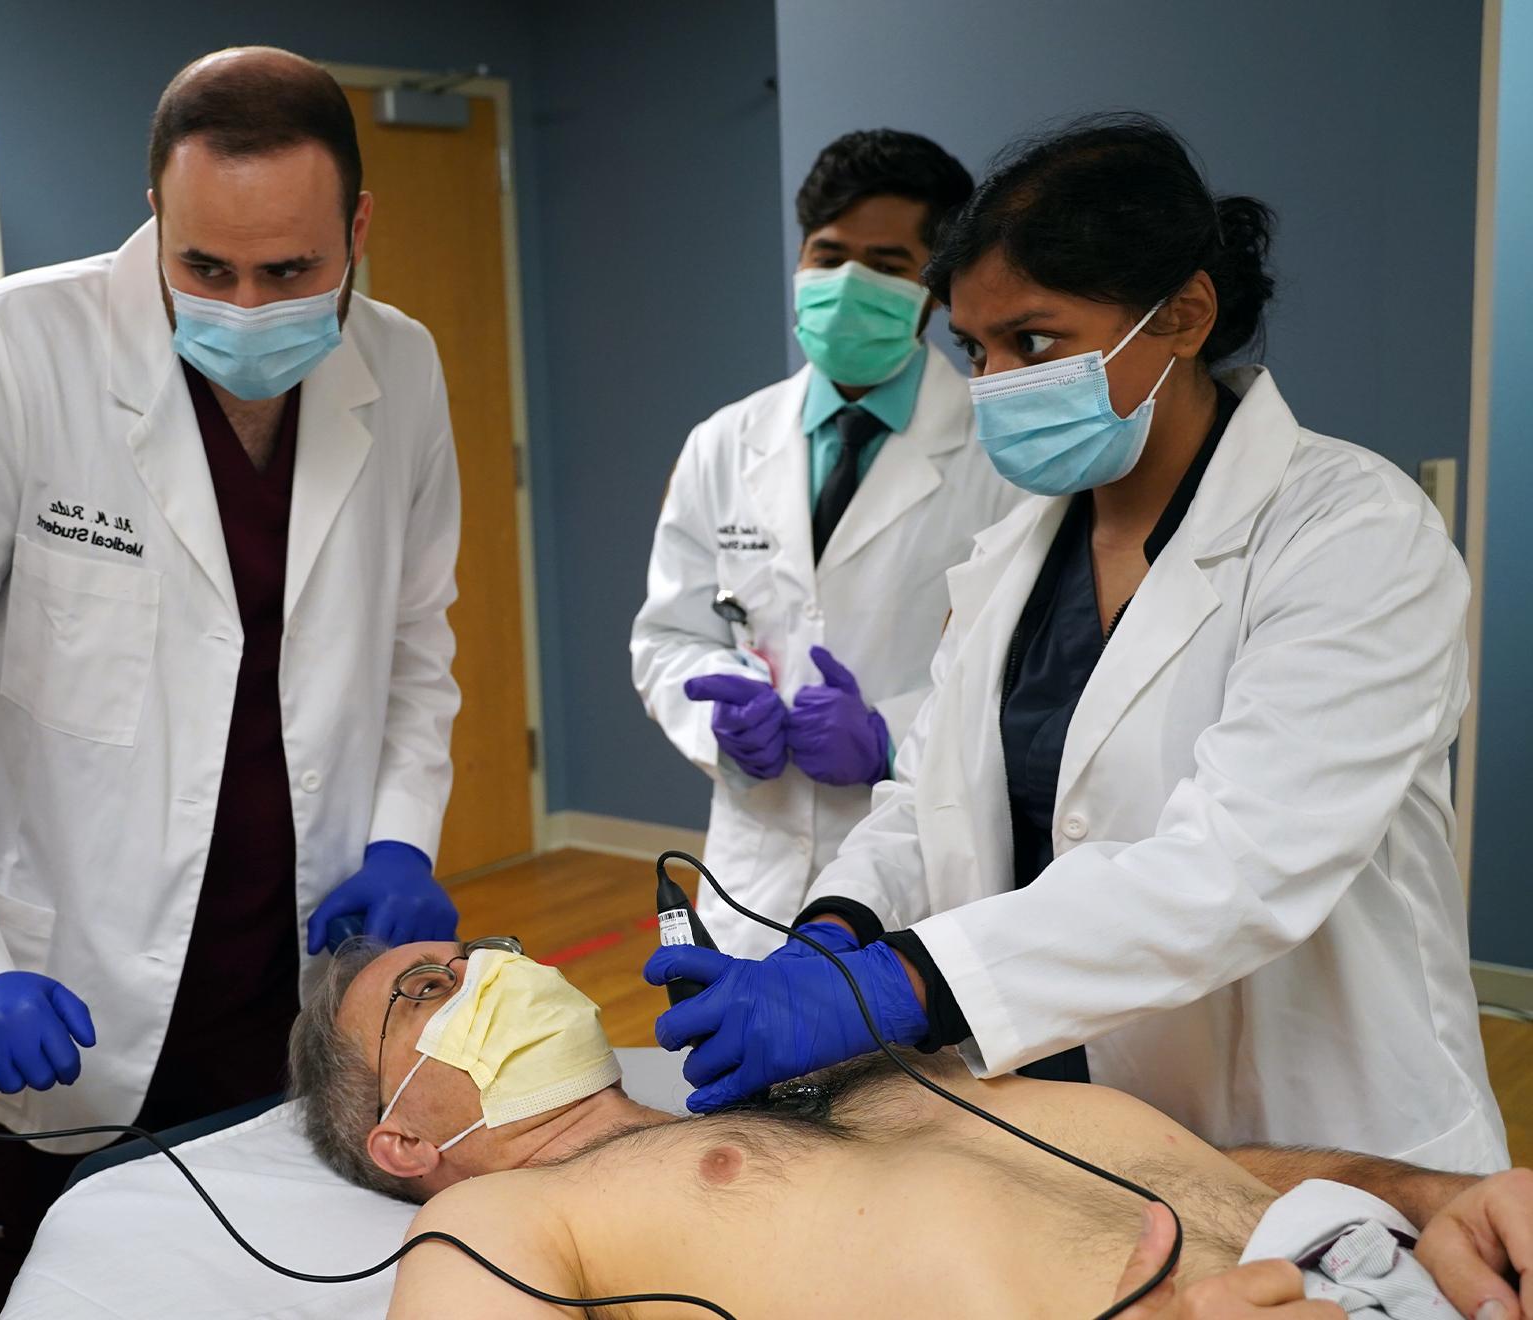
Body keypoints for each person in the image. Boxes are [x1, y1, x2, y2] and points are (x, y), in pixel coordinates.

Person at [643, 113, 1511, 1171]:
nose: (997, 380)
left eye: (1034, 342)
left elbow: (1236, 868)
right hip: (1062, 1104)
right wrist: (839, 927)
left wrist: (900, 983)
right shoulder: (1019, 547)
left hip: (1317, 1125)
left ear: (1185, 313)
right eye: (974, 348)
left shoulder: (1349, 531)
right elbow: (930, 799)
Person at [0, 46, 463, 1315]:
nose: (244, 308)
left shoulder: (398, 367)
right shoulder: (11, 349)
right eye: (204, 268)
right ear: (155, 217)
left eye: (290, 272)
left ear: (358, 224)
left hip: (293, 979)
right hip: (51, 993)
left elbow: (418, 645)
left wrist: (402, 838)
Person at [292, 939, 1533, 1319]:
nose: (487, 972)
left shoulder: (844, 1085)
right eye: (426, 991)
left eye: (479, 955)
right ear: (399, 1141)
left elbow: (1194, 1175)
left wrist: (1445, 1198)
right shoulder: (494, 1221)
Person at [632, 129, 1021, 958]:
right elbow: (670, 636)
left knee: (909, 1085)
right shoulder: (726, 441)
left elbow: (1033, 669)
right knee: (746, 1080)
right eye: (828, 254)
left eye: (886, 263)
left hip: (924, 884)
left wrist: (890, 736)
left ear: (937, 283)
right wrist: (719, 713)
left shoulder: (1003, 452)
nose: (848, 285)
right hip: (752, 874)